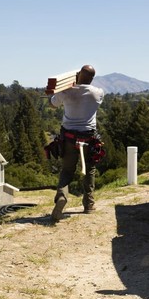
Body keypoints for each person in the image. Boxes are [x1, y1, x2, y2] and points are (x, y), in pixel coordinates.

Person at [49, 65, 105, 222]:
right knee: (90, 169)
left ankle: (61, 197)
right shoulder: (98, 93)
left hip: (68, 137)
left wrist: (66, 87)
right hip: (89, 138)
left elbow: (52, 104)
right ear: (92, 78)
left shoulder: (66, 91)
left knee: (67, 171)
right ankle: (89, 204)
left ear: (78, 75)